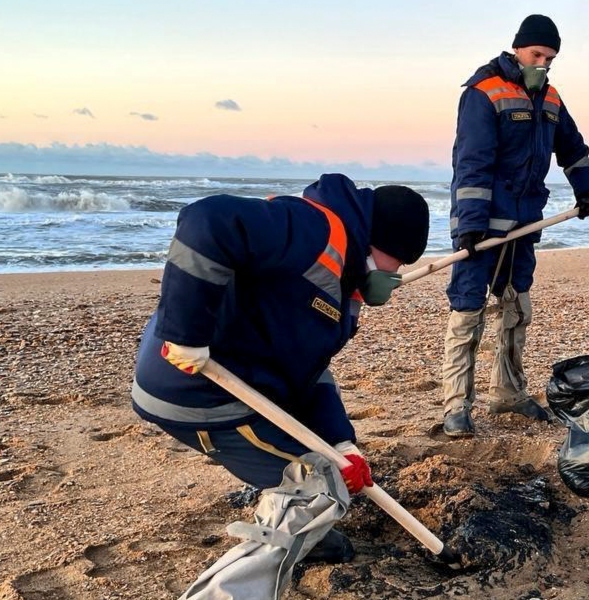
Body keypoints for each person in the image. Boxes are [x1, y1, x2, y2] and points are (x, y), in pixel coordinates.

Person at [130, 173, 430, 561]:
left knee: (329, 466)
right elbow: (207, 221)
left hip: (251, 385)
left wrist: (341, 440)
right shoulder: (311, 230)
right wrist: (186, 334)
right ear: (379, 239)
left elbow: (310, 371)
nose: (396, 273)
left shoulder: (346, 283)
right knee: (322, 489)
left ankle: (294, 489)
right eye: (399, 261)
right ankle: (265, 554)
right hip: (198, 390)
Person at [442, 14, 589, 438]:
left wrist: (586, 189)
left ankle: (508, 392)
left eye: (551, 58)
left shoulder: (550, 99)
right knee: (468, 308)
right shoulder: (484, 92)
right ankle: (456, 405)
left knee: (516, 307)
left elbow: (574, 148)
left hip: (526, 222)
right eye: (538, 55)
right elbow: (471, 162)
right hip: (483, 224)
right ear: (518, 48)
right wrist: (472, 224)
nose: (544, 64)